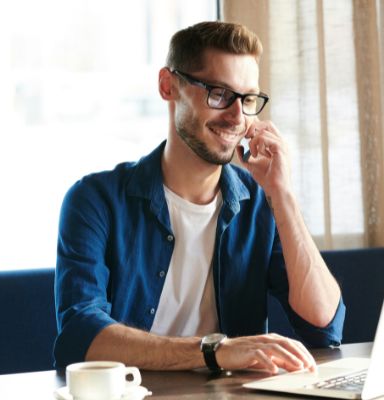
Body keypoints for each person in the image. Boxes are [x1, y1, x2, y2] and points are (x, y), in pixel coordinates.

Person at [54, 21, 345, 374]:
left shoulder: (259, 201)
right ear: (168, 86)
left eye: (248, 99)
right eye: (219, 93)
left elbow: (324, 325)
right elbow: (80, 336)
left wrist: (282, 195)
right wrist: (214, 351)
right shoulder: (95, 201)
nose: (237, 116)